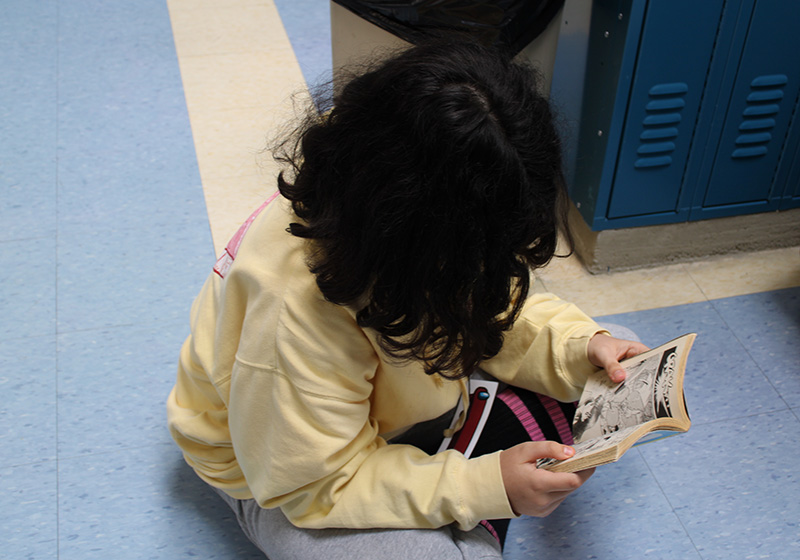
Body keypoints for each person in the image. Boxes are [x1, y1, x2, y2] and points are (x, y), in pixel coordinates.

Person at [166, 40, 648, 559]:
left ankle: (472, 460)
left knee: (616, 360)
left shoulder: (408, 191)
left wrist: (582, 344)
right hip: (283, 468)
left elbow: (503, 304)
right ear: (418, 239)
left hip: (406, 401)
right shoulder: (292, 308)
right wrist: (486, 488)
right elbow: (316, 486)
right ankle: (475, 482)